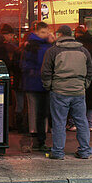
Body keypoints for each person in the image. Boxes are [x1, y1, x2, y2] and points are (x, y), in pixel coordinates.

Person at [41, 25, 92, 160]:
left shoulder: (53, 51)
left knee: (59, 121)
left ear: (59, 34)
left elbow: (45, 72)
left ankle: (58, 152)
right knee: (81, 121)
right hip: (78, 91)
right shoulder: (84, 51)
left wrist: (50, 86)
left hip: (59, 91)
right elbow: (90, 71)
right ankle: (84, 151)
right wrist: (84, 85)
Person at [20, 21, 53, 151]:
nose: (45, 35)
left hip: (34, 82)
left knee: (39, 113)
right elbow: (42, 61)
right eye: (43, 32)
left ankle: (38, 139)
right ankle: (38, 139)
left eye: (47, 32)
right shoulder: (37, 46)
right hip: (37, 82)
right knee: (39, 113)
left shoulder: (31, 44)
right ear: (37, 32)